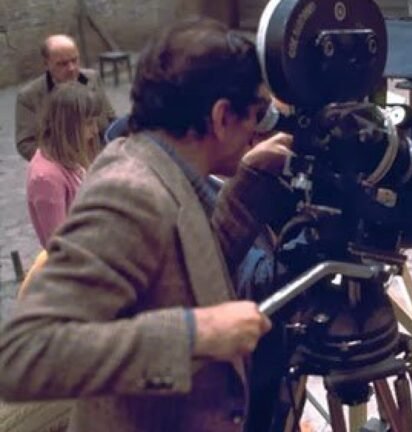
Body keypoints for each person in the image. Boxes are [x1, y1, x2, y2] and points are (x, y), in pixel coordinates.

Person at [0, 18, 295, 432]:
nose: (255, 133)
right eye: (255, 118)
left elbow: (183, 263)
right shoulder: (130, 191)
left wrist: (248, 185)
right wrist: (196, 334)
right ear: (221, 116)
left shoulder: (165, 167)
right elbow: (25, 353)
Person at [15, 34, 116, 161]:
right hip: (62, 165)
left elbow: (110, 118)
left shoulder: (91, 78)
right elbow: (26, 144)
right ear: (46, 64)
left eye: (75, 60)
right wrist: (62, 161)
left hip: (100, 158)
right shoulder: (29, 96)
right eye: (62, 64)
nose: (71, 68)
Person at [27, 83, 103, 247]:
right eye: (89, 123)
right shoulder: (46, 178)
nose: (95, 130)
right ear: (69, 126)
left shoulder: (69, 156)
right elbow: (60, 246)